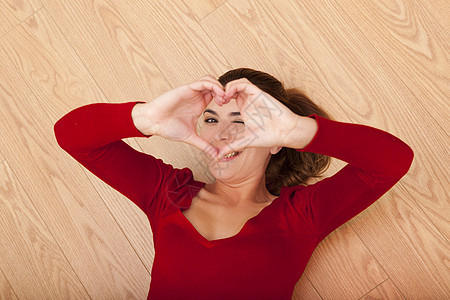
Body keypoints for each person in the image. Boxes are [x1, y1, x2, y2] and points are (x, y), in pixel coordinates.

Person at [54, 68, 414, 299]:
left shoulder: (303, 214)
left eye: (241, 121)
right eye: (211, 119)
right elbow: (71, 136)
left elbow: (392, 162)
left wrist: (298, 130)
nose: (223, 133)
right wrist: (147, 117)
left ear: (275, 141)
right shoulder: (166, 193)